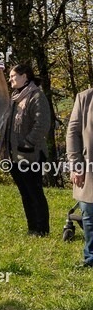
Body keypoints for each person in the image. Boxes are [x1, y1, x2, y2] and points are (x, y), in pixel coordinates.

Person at [0, 63, 52, 236]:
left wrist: (27, 143)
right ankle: (32, 228)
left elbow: (42, 124)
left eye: (13, 76)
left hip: (31, 155)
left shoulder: (36, 96)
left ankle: (42, 229)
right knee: (25, 193)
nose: (10, 79)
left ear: (25, 76)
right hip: (14, 156)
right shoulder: (15, 98)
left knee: (34, 192)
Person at [66, 87, 93, 267]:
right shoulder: (85, 97)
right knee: (90, 215)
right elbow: (73, 133)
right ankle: (91, 258)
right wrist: (76, 165)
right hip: (89, 169)